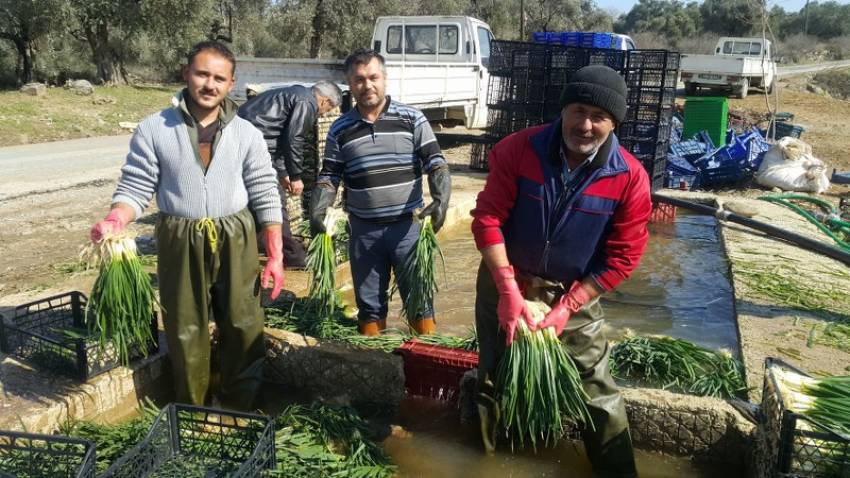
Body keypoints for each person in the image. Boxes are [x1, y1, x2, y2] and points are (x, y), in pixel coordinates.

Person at [471, 65, 652, 477]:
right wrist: (507, 291)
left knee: (596, 389)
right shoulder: (520, 149)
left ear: (614, 122)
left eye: (598, 116)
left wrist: (569, 304)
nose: (585, 125)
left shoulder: (629, 177)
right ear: (564, 109)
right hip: (507, 280)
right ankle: (484, 463)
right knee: (494, 375)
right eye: (578, 110)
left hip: (574, 290)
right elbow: (488, 220)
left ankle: (619, 472)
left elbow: (623, 257)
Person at [89, 41, 284, 411]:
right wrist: (115, 219)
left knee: (243, 322)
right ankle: (193, 409)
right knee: (185, 327)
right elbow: (135, 185)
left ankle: (242, 406)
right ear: (186, 75)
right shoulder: (154, 129)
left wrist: (274, 253)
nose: (209, 84)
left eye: (219, 78)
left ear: (231, 84)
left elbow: (265, 191)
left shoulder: (246, 133)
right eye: (202, 74)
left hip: (236, 235)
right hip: (180, 235)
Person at [309, 49, 451, 336]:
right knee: (370, 304)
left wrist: (441, 198)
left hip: (408, 229)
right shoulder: (340, 129)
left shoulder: (412, 119)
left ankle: (424, 360)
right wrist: (318, 208)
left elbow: (436, 163)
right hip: (364, 233)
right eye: (359, 79)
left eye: (373, 77)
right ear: (350, 83)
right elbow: (330, 174)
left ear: (384, 79)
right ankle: (375, 359)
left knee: (419, 301)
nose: (367, 85)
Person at [237, 81, 344, 268]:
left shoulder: (293, 94)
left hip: (243, 144)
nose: (324, 113)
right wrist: (295, 176)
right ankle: (292, 256)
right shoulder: (307, 102)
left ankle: (254, 247)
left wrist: (283, 173)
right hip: (252, 148)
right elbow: (294, 139)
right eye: (328, 109)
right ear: (325, 101)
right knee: (275, 203)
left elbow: (276, 137)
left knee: (253, 203)